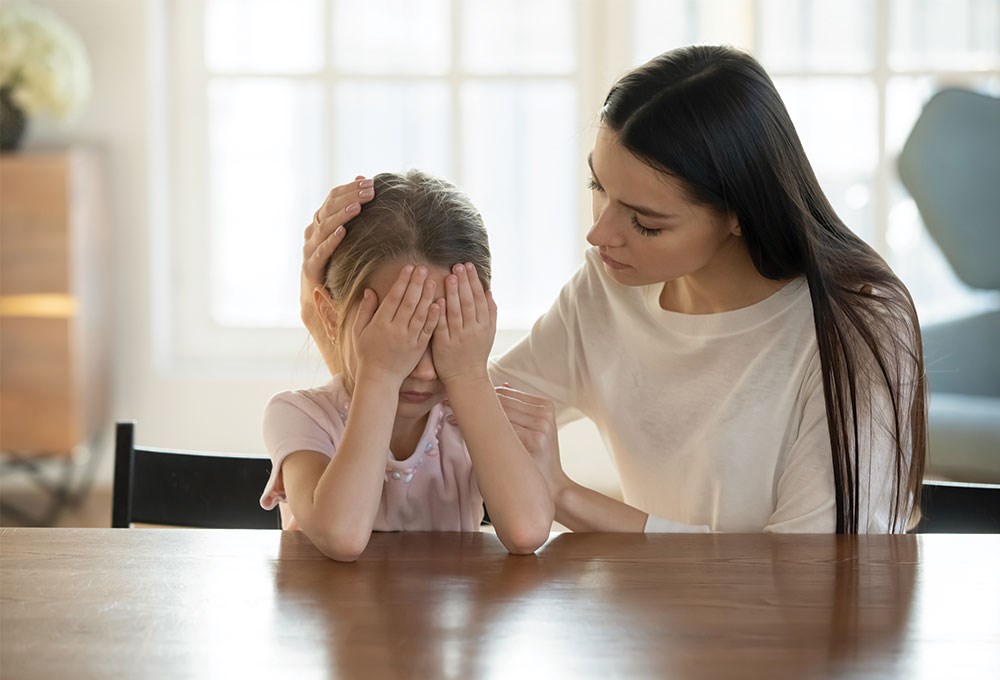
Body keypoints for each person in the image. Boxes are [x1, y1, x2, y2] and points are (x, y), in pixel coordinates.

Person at [301, 45, 926, 535]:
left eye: (645, 222)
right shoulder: (612, 289)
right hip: (650, 632)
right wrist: (325, 316)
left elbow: (810, 571)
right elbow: (442, 408)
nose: (600, 234)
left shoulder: (859, 327)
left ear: (740, 213)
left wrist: (568, 497)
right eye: (597, 187)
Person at [262, 170, 554, 562]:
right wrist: (379, 375)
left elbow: (527, 531)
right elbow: (342, 535)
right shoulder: (300, 416)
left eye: (444, 335)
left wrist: (468, 375)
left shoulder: (466, 413)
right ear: (331, 318)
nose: (424, 371)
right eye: (397, 337)